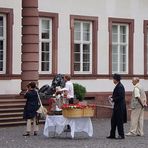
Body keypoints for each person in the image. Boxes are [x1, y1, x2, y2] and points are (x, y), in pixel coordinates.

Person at [107, 73, 127, 139]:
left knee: (119, 121)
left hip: (120, 107)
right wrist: (112, 96)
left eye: (113, 79)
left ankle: (121, 135)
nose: (113, 80)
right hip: (117, 106)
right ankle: (112, 134)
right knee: (113, 121)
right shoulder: (118, 86)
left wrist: (113, 99)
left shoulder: (120, 86)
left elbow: (120, 97)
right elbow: (117, 95)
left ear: (116, 79)